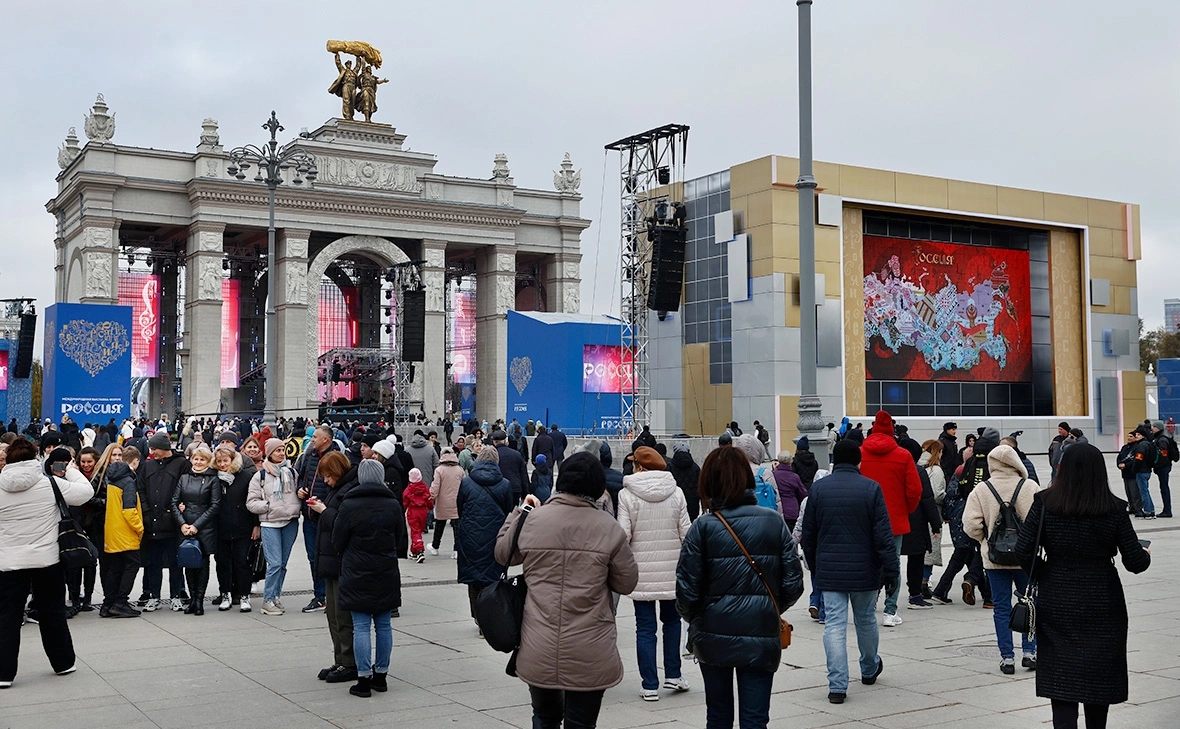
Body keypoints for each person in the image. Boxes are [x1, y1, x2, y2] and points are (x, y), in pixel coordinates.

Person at [496, 451, 639, 729]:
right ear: (598, 489)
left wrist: (521, 511)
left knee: (545, 718)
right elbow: (627, 582)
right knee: (581, 723)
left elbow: (504, 554)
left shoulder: (534, 520)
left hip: (539, 643)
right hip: (590, 647)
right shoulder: (609, 529)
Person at [1015, 443, 1150, 729]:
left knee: (1061, 677)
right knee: (1098, 677)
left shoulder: (1045, 502)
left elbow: (1022, 549)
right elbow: (1135, 562)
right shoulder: (1113, 508)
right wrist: (1145, 553)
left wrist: (1042, 573)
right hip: (1103, 597)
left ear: (1062, 469)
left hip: (1057, 594)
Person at [677, 445, 802, 727]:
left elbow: (686, 591)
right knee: (756, 718)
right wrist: (766, 607)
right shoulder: (773, 522)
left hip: (712, 633)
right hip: (760, 632)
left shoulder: (703, 527)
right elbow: (794, 582)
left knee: (718, 715)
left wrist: (698, 616)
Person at [800, 440, 897, 704]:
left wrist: (816, 567)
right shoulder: (871, 489)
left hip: (830, 571)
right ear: (858, 461)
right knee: (865, 620)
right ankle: (868, 668)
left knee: (834, 625)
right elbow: (883, 535)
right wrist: (891, 570)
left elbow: (808, 535)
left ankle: (837, 686)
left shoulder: (818, 490)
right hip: (865, 570)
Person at [0, 441, 94, 687]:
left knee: (6, 617)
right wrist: (70, 468)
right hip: (46, 559)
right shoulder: (50, 484)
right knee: (52, 613)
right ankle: (63, 663)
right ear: (35, 457)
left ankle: (4, 673)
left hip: (9, 561)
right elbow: (86, 492)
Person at [617, 446, 691, 701]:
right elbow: (687, 534)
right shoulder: (677, 493)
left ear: (638, 466)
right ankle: (673, 674)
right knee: (672, 623)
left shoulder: (626, 495)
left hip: (642, 573)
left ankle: (649, 684)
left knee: (645, 628)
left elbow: (623, 535)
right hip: (672, 572)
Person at [961, 443, 1040, 674]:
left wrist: (985, 540)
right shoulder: (1030, 487)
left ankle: (1007, 658)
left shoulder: (982, 489)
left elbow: (970, 525)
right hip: (1026, 559)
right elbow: (1041, 522)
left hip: (994, 560)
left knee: (1001, 607)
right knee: (1030, 603)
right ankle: (1030, 651)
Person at [333, 458, 405, 698]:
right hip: (385, 569)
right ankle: (381, 676)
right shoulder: (393, 504)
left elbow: (337, 541)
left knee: (361, 626)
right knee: (384, 625)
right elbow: (400, 540)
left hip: (356, 571)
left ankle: (363, 679)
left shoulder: (350, 504)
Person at [858, 411, 921, 626]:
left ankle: (868, 605)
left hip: (865, 520)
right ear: (892, 430)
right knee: (892, 563)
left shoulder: (860, 453)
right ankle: (890, 611)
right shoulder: (903, 455)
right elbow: (914, 490)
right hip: (894, 519)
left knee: (869, 563)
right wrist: (905, 510)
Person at [306, 451, 360, 685]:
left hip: (340, 560)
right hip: (330, 558)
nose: (325, 481)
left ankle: (348, 662)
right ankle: (340, 659)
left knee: (341, 614)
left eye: (328, 476)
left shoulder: (349, 490)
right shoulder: (337, 490)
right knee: (332, 614)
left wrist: (323, 511)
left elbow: (342, 523)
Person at [932, 427, 999, 608]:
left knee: (965, 553)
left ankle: (952, 588)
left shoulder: (964, 468)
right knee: (980, 552)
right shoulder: (993, 465)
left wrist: (949, 515)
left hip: (962, 518)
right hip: (983, 516)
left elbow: (953, 493)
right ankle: (987, 595)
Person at [456, 445, 513, 634]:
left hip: (469, 536)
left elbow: (460, 509)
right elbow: (508, 512)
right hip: (495, 537)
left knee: (474, 579)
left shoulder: (466, 483)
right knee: (492, 578)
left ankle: (478, 617)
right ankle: (489, 618)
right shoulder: (505, 484)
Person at [247, 438, 302, 616]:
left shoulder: (292, 472)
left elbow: (297, 494)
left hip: (290, 522)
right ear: (269, 453)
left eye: (283, 449)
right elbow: (251, 502)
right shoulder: (260, 475)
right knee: (275, 563)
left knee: (283, 564)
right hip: (270, 523)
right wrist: (267, 507)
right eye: (277, 450)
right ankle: (267, 600)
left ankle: (276, 596)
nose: (281, 453)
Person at [137, 432, 189, 611]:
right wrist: (146, 510)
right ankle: (154, 596)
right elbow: (141, 489)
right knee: (153, 562)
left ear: (164, 448)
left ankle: (176, 595)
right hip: (151, 521)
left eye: (154, 449)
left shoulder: (181, 463)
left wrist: (176, 508)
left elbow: (185, 487)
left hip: (173, 522)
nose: (152, 452)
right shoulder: (148, 465)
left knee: (175, 562)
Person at [172, 445, 221, 615]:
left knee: (203, 564)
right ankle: (192, 599)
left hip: (204, 527)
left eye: (202, 459)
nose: (198, 462)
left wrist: (196, 526)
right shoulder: (184, 478)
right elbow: (174, 502)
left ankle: (199, 600)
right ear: (191, 459)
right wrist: (182, 524)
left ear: (208, 462)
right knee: (188, 563)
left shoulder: (212, 480)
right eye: (196, 458)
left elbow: (215, 505)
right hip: (185, 526)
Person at [295, 426, 339, 613]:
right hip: (310, 516)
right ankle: (320, 596)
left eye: (315, 437)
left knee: (328, 558)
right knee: (313, 558)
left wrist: (326, 504)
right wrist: (300, 489)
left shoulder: (335, 458)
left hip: (327, 517)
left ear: (326, 440)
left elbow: (339, 485)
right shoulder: (308, 456)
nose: (312, 440)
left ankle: (332, 596)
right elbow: (301, 476)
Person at [212, 445, 259, 613]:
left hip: (242, 526)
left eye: (225, 461)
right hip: (220, 527)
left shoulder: (245, 476)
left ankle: (244, 595)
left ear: (232, 460)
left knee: (242, 562)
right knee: (222, 563)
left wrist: (256, 525)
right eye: (219, 461)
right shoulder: (214, 477)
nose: (223, 465)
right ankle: (225, 594)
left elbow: (252, 500)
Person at [897, 438, 941, 611]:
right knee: (916, 558)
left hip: (893, 518)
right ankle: (915, 595)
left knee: (887, 558)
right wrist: (936, 524)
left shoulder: (893, 469)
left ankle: (878, 592)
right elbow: (927, 499)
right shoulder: (918, 471)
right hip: (916, 520)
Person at [101, 445, 143, 618]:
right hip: (126, 533)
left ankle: (108, 604)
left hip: (112, 531)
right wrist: (140, 527)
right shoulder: (128, 482)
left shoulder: (111, 480)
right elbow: (129, 510)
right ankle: (120, 602)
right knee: (132, 565)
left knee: (115, 568)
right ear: (135, 462)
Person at [918, 440, 946, 597]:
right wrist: (947, 498)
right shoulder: (935, 470)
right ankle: (924, 582)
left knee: (919, 551)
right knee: (930, 550)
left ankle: (918, 582)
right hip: (933, 513)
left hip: (917, 514)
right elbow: (937, 494)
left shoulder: (917, 466)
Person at [428, 448, 463, 558]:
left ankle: (435, 547)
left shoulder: (439, 470)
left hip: (442, 502)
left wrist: (431, 496)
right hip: (457, 501)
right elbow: (464, 485)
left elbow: (435, 486)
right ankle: (457, 550)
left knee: (439, 524)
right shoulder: (459, 470)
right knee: (457, 527)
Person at [403, 468, 433, 563]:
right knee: (418, 531)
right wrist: (430, 507)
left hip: (413, 511)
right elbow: (429, 499)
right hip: (423, 511)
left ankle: (420, 550)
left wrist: (402, 511)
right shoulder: (424, 488)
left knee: (415, 532)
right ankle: (414, 551)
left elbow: (404, 502)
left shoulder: (409, 489)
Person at [772, 451, 808, 532]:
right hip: (792, 511)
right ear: (790, 462)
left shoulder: (773, 475)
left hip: (776, 510)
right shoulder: (794, 477)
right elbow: (803, 494)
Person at [492, 430, 529, 504]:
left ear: (493, 441)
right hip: (514, 488)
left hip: (496, 489)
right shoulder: (516, 454)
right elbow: (524, 475)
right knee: (513, 513)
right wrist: (525, 494)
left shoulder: (492, 455)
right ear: (505, 441)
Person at [1129, 425, 1157, 519]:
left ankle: (1148, 511)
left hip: (1141, 471)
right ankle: (1151, 510)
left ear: (1143, 436)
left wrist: (1134, 468)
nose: (1136, 436)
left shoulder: (1141, 446)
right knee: (1146, 491)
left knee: (1143, 492)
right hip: (1148, 470)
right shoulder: (1149, 444)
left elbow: (1139, 459)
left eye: (1138, 434)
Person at [667, 442, 701, 521]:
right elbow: (700, 485)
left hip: (674, 502)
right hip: (692, 503)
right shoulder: (695, 467)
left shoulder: (669, 467)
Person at [1150, 420, 1174, 517]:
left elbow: (1163, 454)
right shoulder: (1159, 438)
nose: (1152, 428)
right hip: (1164, 466)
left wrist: (1159, 465)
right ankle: (1167, 509)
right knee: (1163, 487)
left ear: (1159, 428)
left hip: (1163, 467)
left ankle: (1167, 510)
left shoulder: (1162, 440)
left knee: (1164, 488)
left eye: (1154, 427)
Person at [1116, 432, 1143, 517]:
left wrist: (1126, 465)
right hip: (1125, 473)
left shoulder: (1137, 447)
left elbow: (1136, 460)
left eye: (1131, 436)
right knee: (1128, 491)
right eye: (1128, 436)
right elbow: (1119, 457)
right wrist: (1119, 464)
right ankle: (1131, 507)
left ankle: (1138, 509)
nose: (1129, 438)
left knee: (1135, 492)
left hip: (1133, 473)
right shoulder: (1125, 447)